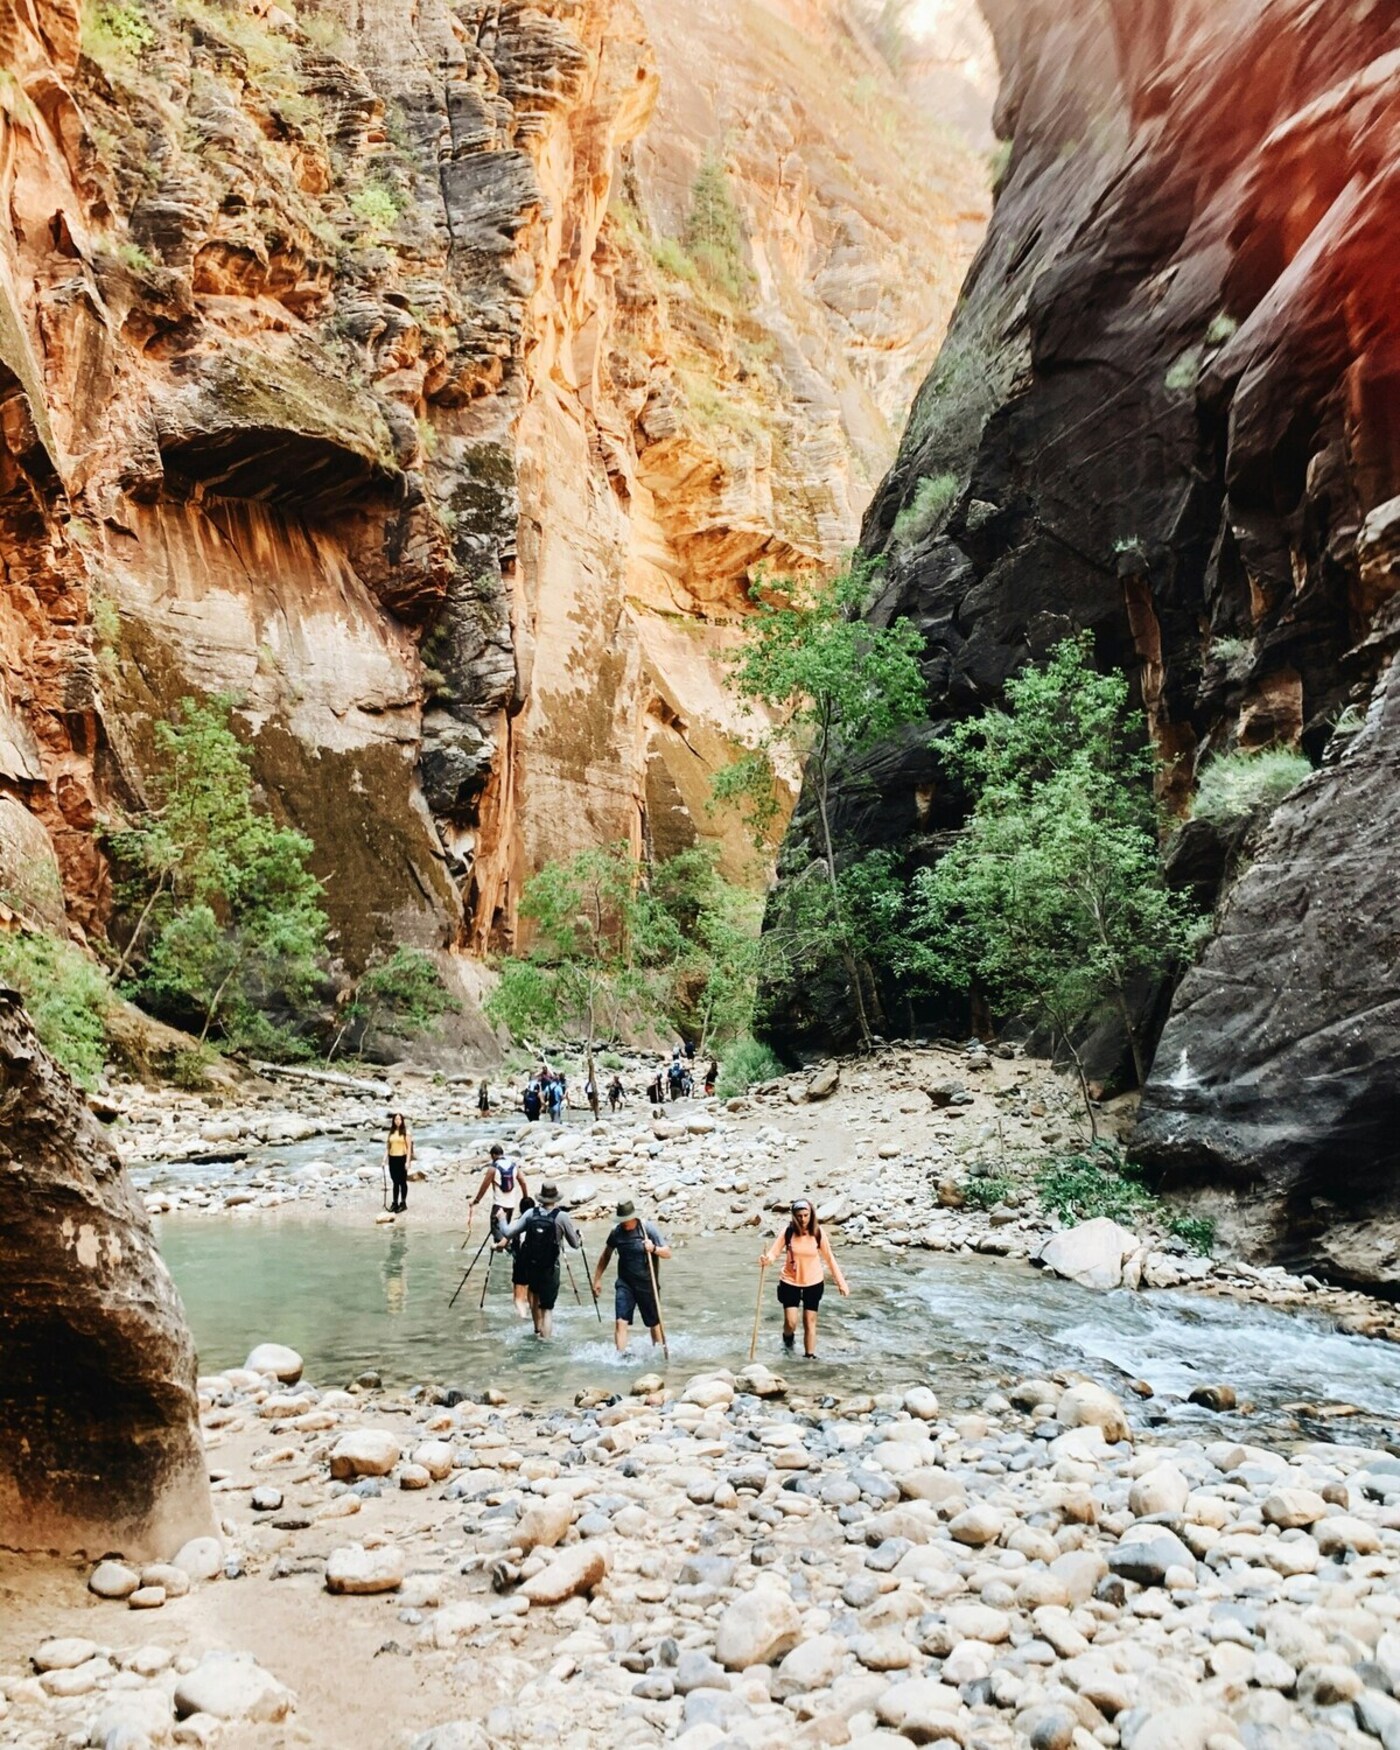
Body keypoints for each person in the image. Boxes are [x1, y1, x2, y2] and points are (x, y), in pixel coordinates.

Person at [761, 1197, 849, 1359]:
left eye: (806, 1215)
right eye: (799, 1216)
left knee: (810, 1322)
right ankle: (788, 1344)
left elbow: (830, 1259)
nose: (803, 1219)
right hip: (789, 1282)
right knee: (791, 1322)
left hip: (814, 1282)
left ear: (811, 1215)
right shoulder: (788, 1232)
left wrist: (841, 1282)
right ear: (794, 1216)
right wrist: (768, 1259)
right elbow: (774, 1252)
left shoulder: (817, 1232)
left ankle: (810, 1357)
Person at [496, 1183, 582, 1338]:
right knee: (547, 1308)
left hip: (532, 1265)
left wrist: (502, 1219)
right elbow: (575, 1244)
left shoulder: (530, 1213)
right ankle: (546, 1340)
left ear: (541, 1198)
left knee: (534, 1298)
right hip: (551, 1267)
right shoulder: (562, 1216)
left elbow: (508, 1232)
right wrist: (580, 1237)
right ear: (555, 1198)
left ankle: (536, 1330)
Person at [592, 1199, 671, 1354]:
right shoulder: (616, 1233)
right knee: (620, 1322)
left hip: (647, 1284)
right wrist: (597, 1279)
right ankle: (620, 1357)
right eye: (621, 1221)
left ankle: (659, 1354)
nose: (623, 1224)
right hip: (625, 1284)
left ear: (633, 1217)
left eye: (625, 1221)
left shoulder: (647, 1229)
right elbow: (605, 1255)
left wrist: (654, 1248)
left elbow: (667, 1253)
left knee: (654, 1323)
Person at [469, 1144, 532, 1316]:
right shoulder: (513, 1165)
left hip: (499, 1206)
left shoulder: (492, 1168)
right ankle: (513, 1249)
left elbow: (484, 1186)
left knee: (499, 1238)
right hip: (511, 1205)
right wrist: (526, 1198)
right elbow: (523, 1181)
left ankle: (511, 1251)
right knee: (509, 1232)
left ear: (493, 1155)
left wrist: (476, 1200)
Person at [384, 1112, 412, 1213]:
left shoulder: (406, 1132)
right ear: (393, 1121)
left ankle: (403, 1203)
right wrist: (384, 1160)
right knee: (395, 1182)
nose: (398, 1121)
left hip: (402, 1158)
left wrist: (408, 1162)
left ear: (402, 1120)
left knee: (402, 1182)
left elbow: (409, 1148)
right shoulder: (391, 1132)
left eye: (399, 1119)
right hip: (392, 1159)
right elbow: (388, 1148)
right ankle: (395, 1202)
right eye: (396, 1119)